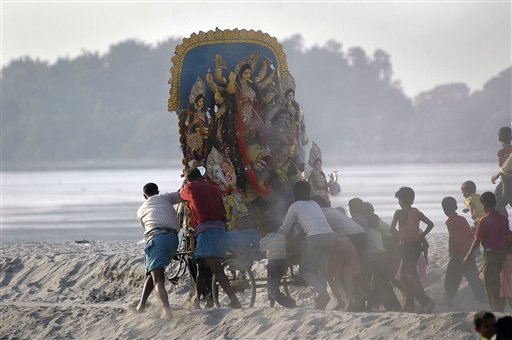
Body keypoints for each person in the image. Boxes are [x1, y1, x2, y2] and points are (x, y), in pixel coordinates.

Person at [179, 168, 241, 308]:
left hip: (207, 232)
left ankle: (234, 300)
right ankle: (196, 300)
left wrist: (185, 185)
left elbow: (181, 195)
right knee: (201, 267)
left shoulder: (190, 187)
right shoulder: (214, 188)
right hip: (219, 229)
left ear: (189, 179)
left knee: (216, 268)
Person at [277, 181, 336, 310]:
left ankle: (321, 292)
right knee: (320, 268)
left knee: (306, 269)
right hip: (330, 236)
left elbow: (285, 228)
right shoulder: (314, 204)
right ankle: (322, 297)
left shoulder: (295, 206)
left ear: (296, 193)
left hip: (315, 238)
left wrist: (276, 237)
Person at [135, 183, 182, 319]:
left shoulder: (140, 210)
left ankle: (167, 311)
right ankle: (141, 305)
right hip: (173, 240)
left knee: (158, 280)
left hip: (157, 239)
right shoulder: (165, 198)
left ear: (145, 196)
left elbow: (147, 227)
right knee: (153, 271)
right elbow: (181, 195)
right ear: (158, 191)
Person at [389, 187, 435, 313]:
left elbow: (391, 230)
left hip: (406, 246)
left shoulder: (399, 213)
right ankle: (410, 304)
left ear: (402, 200)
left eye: (399, 200)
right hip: (416, 246)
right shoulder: (417, 212)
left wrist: (400, 235)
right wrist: (422, 235)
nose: (399, 202)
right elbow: (431, 224)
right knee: (404, 276)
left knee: (412, 276)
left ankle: (427, 302)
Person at [464, 192, 512, 312]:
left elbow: (477, 241)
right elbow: (507, 238)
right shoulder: (503, 219)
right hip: (503, 254)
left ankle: (498, 312)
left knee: (491, 286)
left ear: (483, 205)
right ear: (495, 203)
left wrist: (468, 256)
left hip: (491, 255)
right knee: (504, 284)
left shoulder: (484, 220)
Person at [441, 196, 485, 306]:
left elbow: (457, 239)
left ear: (444, 209)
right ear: (455, 207)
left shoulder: (451, 222)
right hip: (468, 252)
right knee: (474, 279)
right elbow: (470, 235)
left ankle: (448, 302)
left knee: (451, 280)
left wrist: (463, 256)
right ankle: (483, 300)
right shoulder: (462, 219)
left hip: (460, 255)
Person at [259, 232, 296, 308]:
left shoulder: (264, 239)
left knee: (271, 287)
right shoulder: (282, 237)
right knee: (271, 284)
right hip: (283, 263)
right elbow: (287, 246)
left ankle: (290, 304)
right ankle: (271, 304)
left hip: (274, 263)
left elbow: (261, 250)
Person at [493, 126, 512, 217]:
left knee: (496, 205)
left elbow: (504, 169)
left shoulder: (501, 151)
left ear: (499, 138)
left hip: (507, 181)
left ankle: (503, 225)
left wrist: (495, 177)